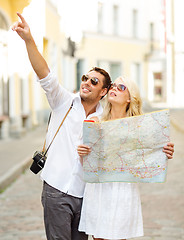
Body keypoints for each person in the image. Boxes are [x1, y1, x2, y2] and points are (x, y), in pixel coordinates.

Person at [11, 12, 112, 240]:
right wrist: (29, 39)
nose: (86, 82)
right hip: (56, 190)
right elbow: (44, 74)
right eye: (85, 77)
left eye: (94, 81)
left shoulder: (105, 119)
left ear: (103, 91)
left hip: (86, 195)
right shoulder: (63, 101)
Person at [77, 76, 174, 240]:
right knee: (99, 238)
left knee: (119, 237)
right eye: (113, 85)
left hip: (124, 189)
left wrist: (164, 152)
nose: (114, 88)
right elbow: (87, 165)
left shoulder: (140, 127)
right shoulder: (95, 122)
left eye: (121, 87)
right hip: (100, 189)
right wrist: (82, 153)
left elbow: (151, 155)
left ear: (129, 98)